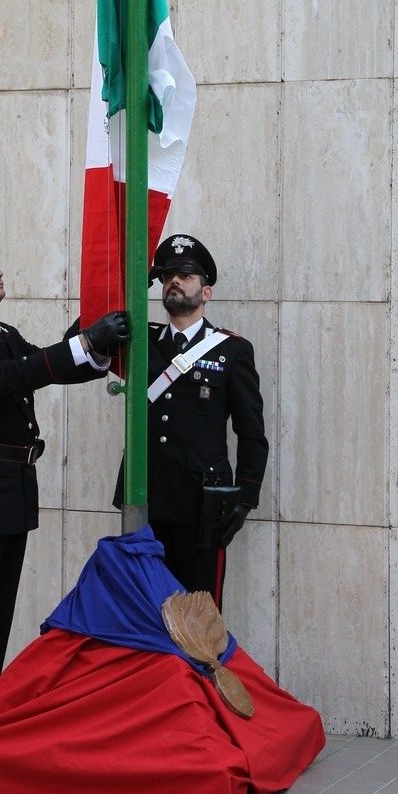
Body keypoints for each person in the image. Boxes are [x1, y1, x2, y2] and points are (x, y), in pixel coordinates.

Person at [0, 224, 129, 743]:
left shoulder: (1, 335)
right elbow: (11, 378)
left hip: (9, 486)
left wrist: (97, 339)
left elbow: (49, 365)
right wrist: (83, 342)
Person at [115, 234, 268, 608]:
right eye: (167, 275)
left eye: (186, 274)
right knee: (145, 613)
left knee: (200, 618)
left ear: (206, 292)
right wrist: (118, 302)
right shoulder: (139, 341)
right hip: (147, 498)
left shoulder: (231, 351)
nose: (174, 281)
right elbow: (82, 341)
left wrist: (245, 497)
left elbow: (251, 431)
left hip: (202, 508)